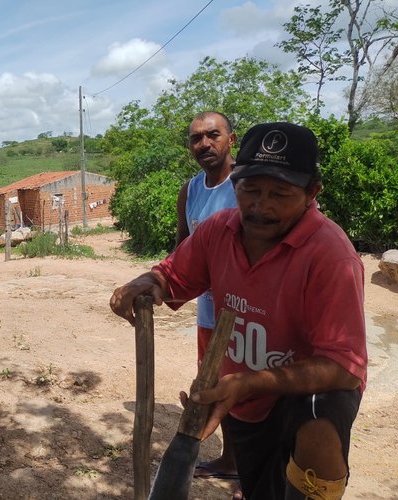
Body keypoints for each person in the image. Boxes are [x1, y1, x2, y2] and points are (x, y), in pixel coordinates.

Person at [110, 122, 367, 499]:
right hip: (244, 393)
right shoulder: (218, 231)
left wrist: (249, 382)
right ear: (235, 184)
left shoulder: (331, 255)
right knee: (260, 485)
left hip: (304, 389)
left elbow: (345, 368)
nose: (261, 207)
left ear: (312, 192)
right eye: (250, 190)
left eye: (280, 194)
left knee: (319, 423)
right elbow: (170, 275)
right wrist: (143, 284)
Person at [177, 111, 239, 481]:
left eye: (212, 135)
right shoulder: (192, 190)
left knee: (253, 387)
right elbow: (183, 250)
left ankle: (258, 468)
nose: (204, 144)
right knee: (216, 386)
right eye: (196, 138)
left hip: (251, 311)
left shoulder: (248, 183)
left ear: (231, 139)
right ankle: (231, 459)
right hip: (210, 311)